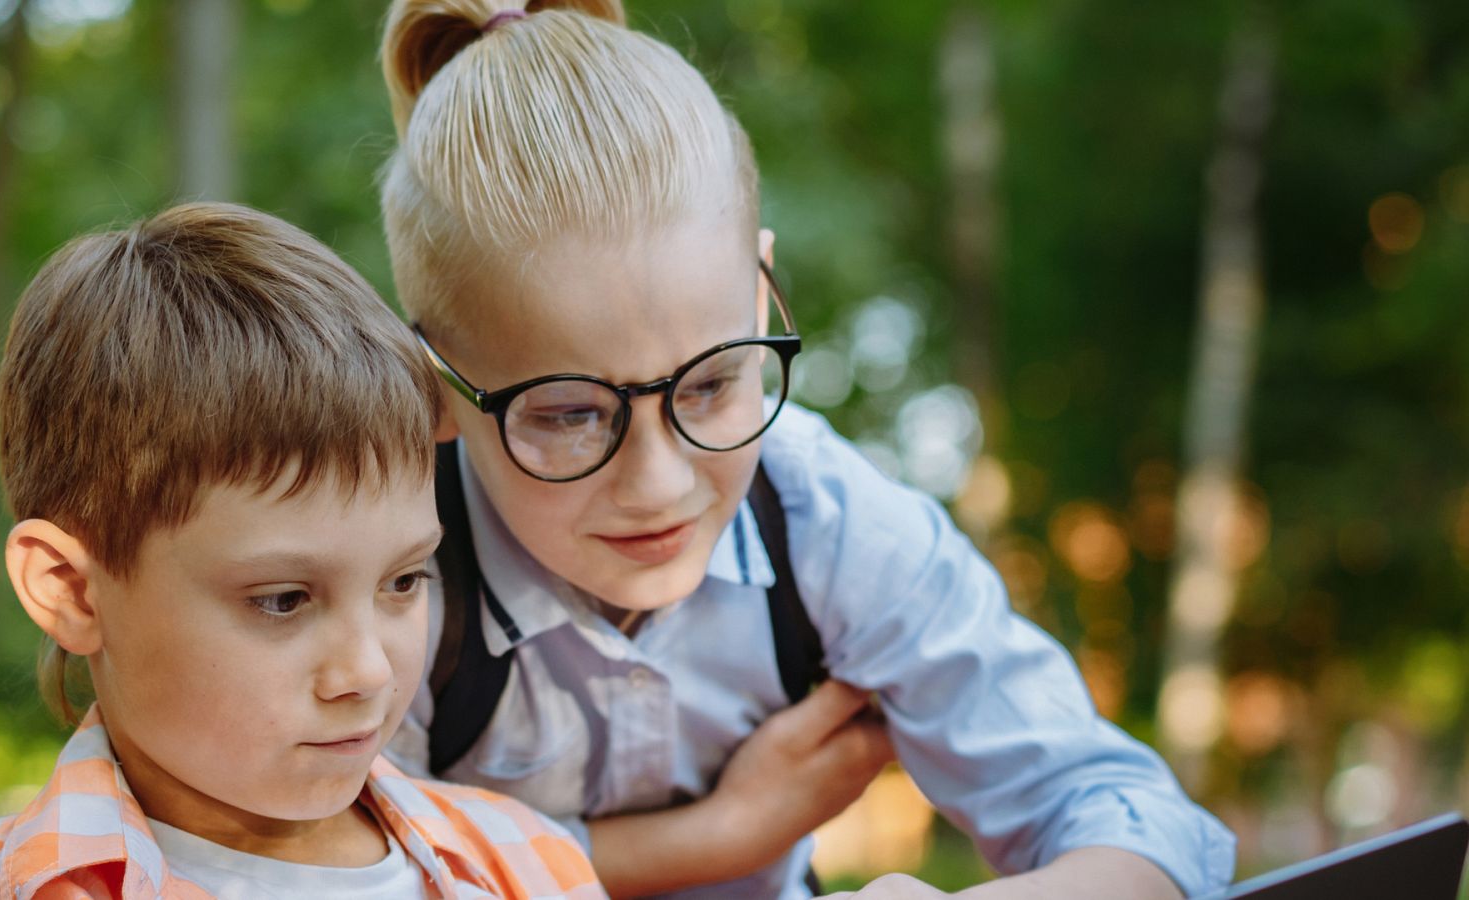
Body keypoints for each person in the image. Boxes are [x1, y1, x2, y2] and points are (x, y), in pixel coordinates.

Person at [376, 1, 1236, 897]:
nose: (659, 482)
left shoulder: (823, 520)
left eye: (710, 385)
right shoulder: (387, 577)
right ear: (432, 382)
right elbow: (338, 876)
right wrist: (720, 837)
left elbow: (1126, 812)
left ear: (760, 295)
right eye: (568, 415)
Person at [0, 202, 605, 900]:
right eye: (283, 600)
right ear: (70, 589)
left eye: (403, 581)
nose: (366, 672)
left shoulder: (535, 867)